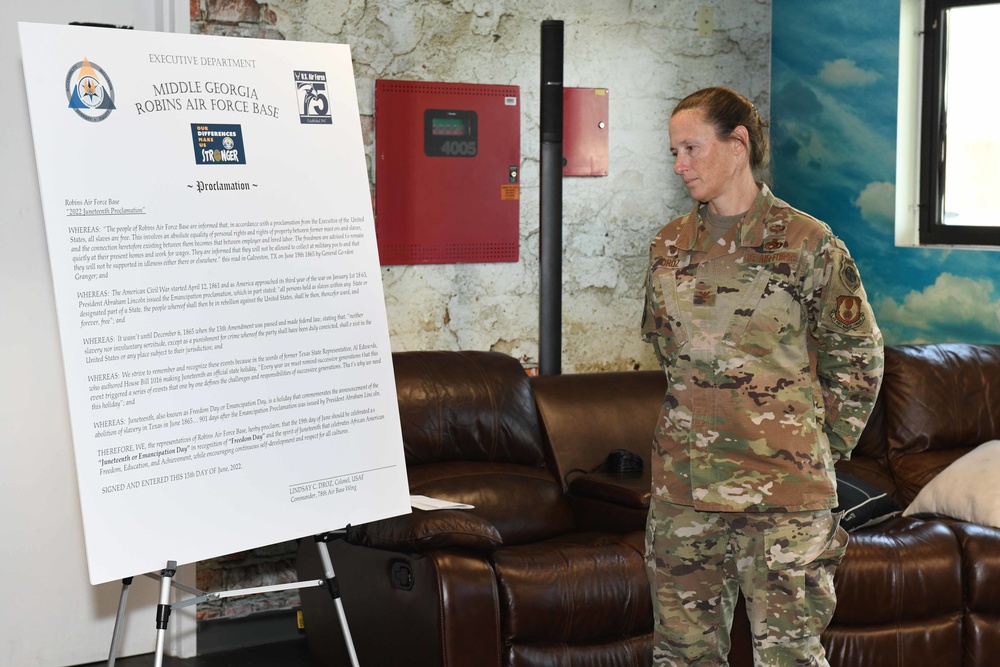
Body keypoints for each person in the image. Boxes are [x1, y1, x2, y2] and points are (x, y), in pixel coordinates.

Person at [640, 86, 884, 666]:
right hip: (684, 494)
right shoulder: (668, 246)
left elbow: (859, 355)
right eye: (674, 152)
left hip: (784, 496)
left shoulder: (807, 243)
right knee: (681, 657)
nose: (681, 166)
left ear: (738, 144)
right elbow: (664, 347)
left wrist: (818, 446)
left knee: (789, 658)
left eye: (692, 148)